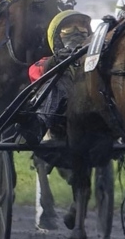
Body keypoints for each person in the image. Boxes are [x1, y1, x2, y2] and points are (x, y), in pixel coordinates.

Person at [29, 9, 93, 143]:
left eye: (81, 27)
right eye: (68, 27)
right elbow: (34, 72)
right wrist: (54, 63)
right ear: (57, 36)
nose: (76, 31)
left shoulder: (96, 60)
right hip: (60, 120)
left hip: (94, 115)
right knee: (57, 80)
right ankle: (38, 126)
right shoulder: (48, 62)